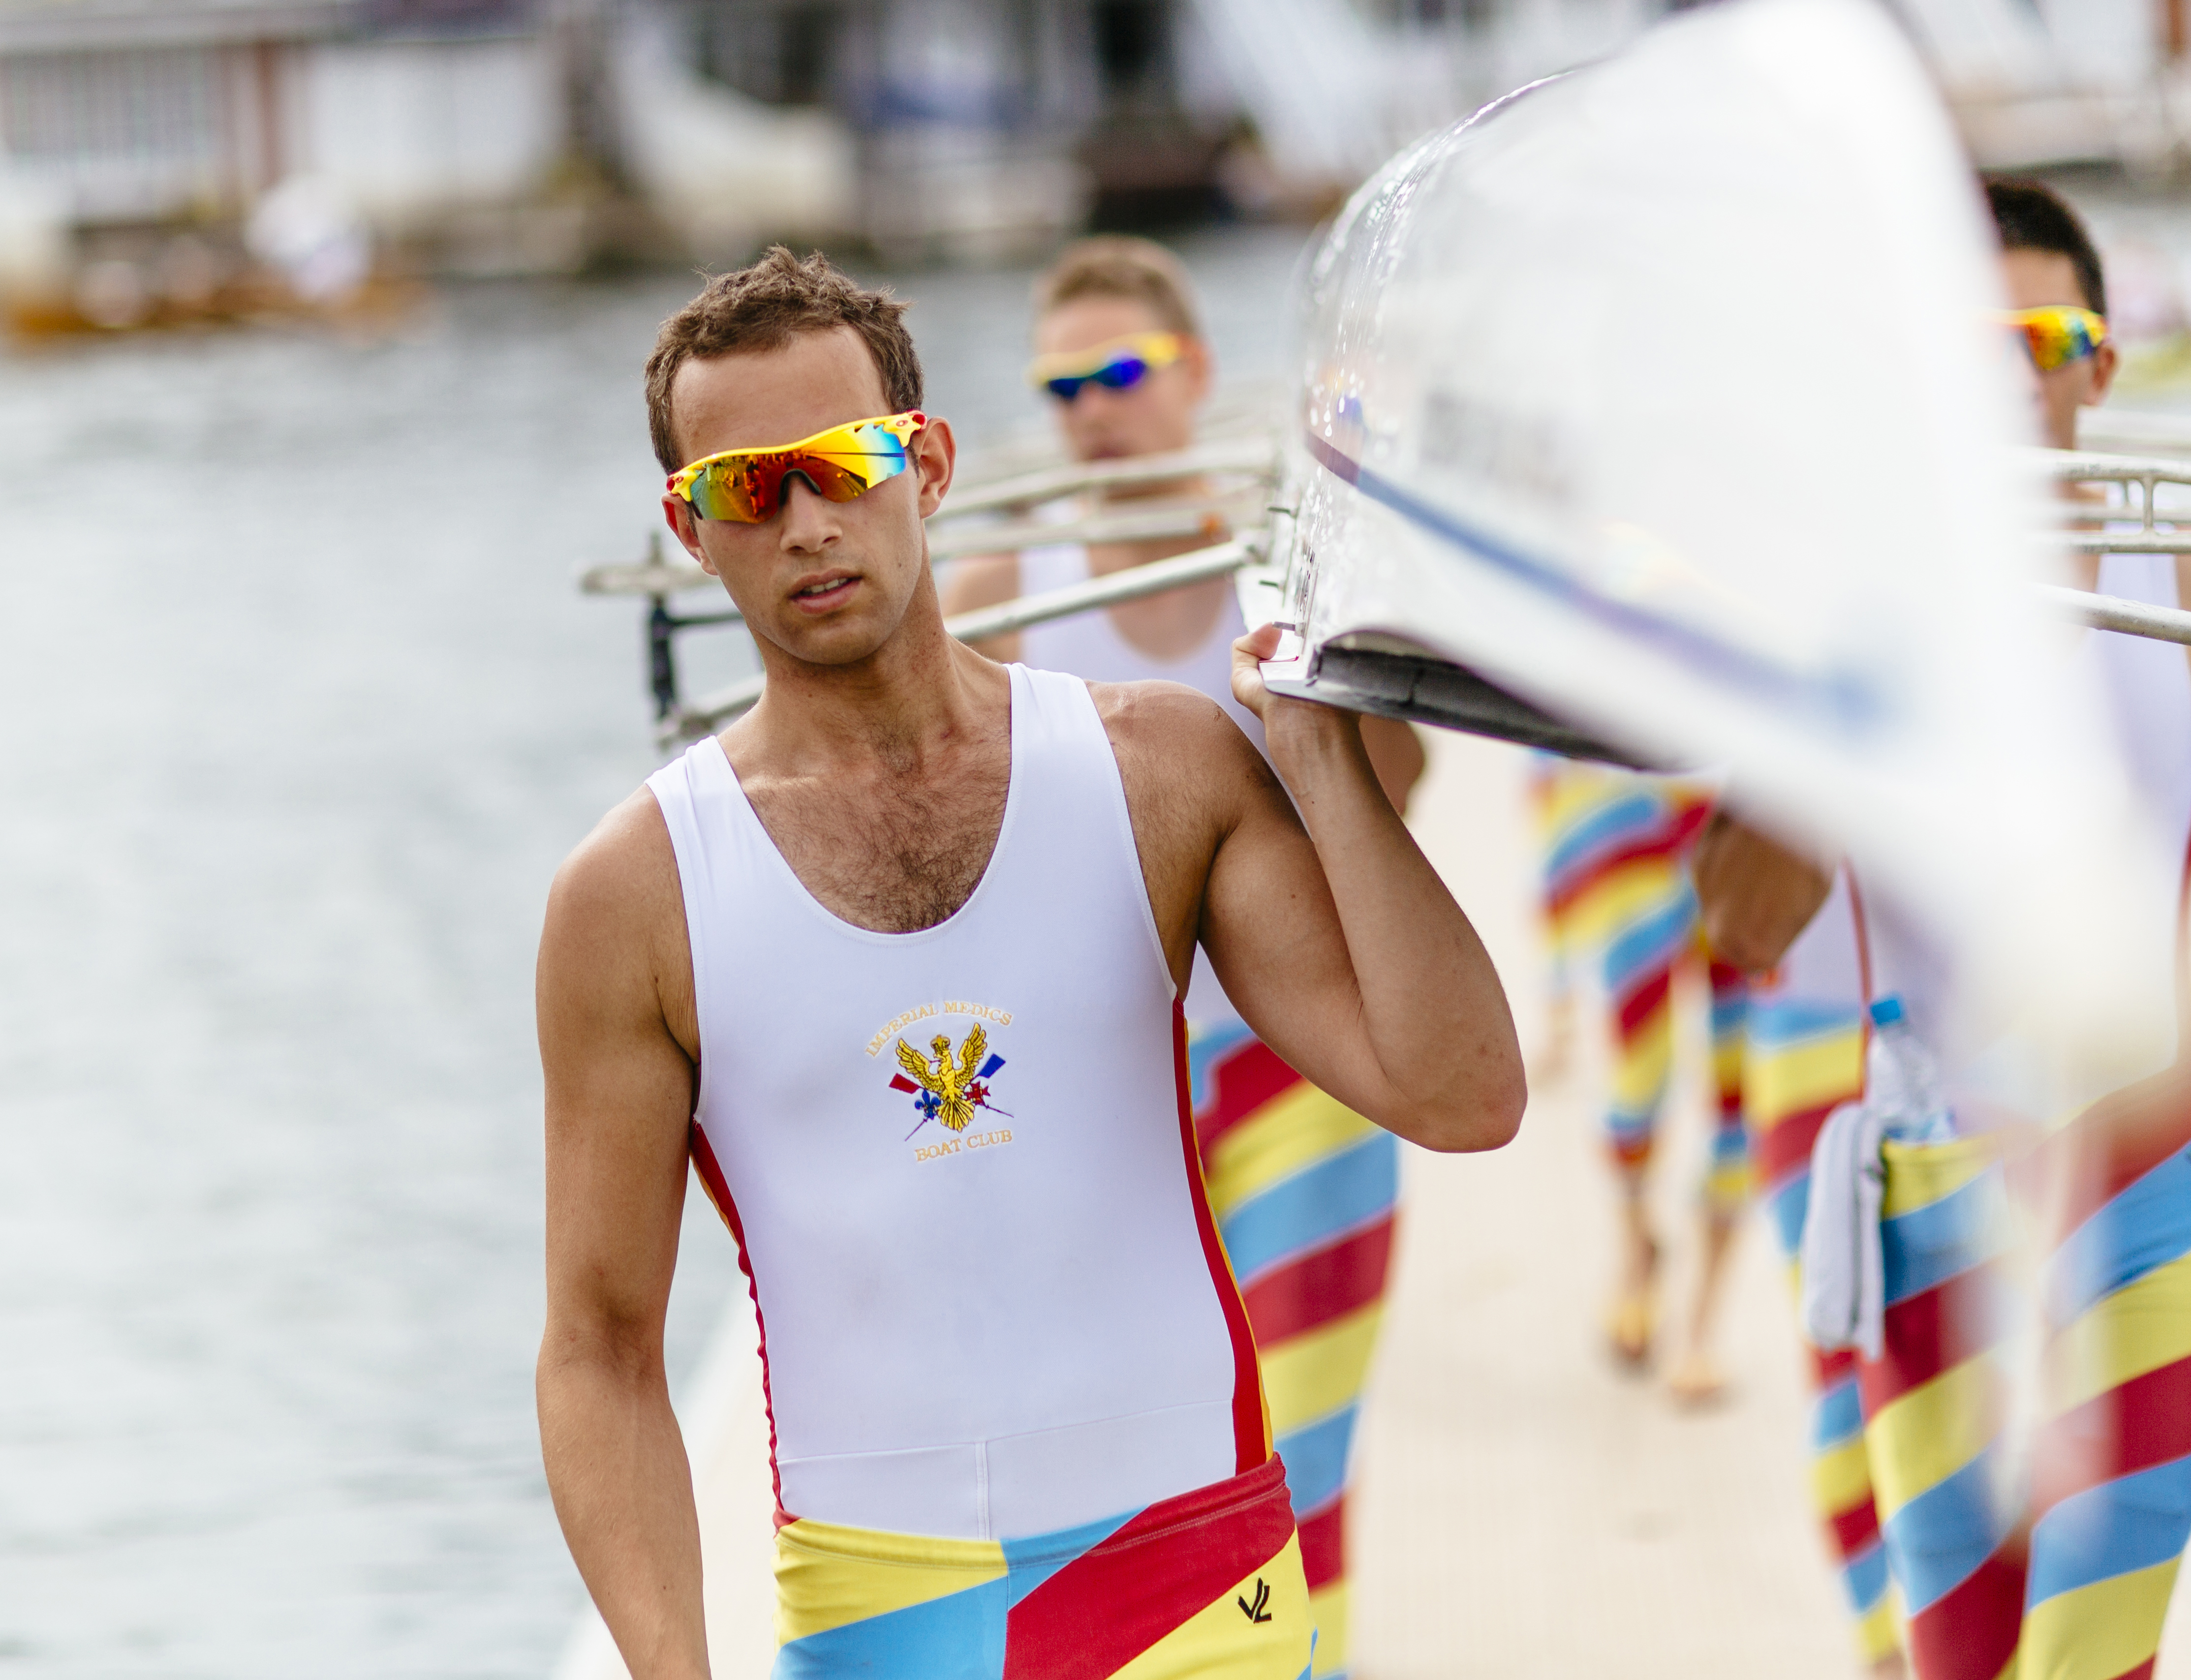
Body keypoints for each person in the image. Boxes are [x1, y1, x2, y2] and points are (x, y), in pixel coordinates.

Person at [536, 246, 1522, 1680]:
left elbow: (1463, 1092)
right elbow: (598, 1345)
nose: (808, 518)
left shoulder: (1164, 770)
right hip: (889, 1617)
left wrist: (1322, 753)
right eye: (748, 487)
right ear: (691, 530)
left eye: (843, 461)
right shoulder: (632, 897)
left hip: (1202, 1579)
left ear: (925, 463)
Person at [1697, 177, 2191, 1680]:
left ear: (2101, 364)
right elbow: (1744, 926)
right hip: (1927, 1199)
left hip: (2141, 1195)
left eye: (2038, 333)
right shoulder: (1851, 620)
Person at [942, 236, 1422, 1680]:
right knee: (1111, 1479)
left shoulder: (1285, 564)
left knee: (1299, 1457)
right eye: (1062, 383)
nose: (1094, 407)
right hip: (1096, 1102)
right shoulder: (994, 590)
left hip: (1297, 1068)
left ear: (1196, 378)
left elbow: (1394, 796)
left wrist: (1334, 670)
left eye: (1122, 373)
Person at [1533, 762, 1750, 1402]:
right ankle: (1636, 1247)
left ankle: (1702, 1325)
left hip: (1741, 788)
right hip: (1623, 789)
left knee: (1742, 1078)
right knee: (1636, 1071)